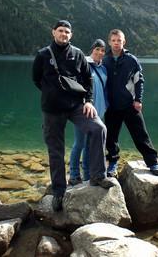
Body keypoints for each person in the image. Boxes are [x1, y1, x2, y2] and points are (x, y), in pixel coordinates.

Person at [32, 20, 114, 212]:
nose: (64, 34)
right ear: (53, 32)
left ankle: (97, 175)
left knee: (98, 128)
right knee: (56, 150)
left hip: (76, 106)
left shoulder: (77, 54)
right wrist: (51, 94)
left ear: (71, 35)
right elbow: (36, 79)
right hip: (52, 109)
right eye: (60, 31)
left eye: (67, 32)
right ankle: (59, 190)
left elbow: (88, 81)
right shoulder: (43, 55)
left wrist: (88, 102)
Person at [103, 29, 158, 177]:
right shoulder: (104, 59)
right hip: (111, 106)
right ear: (110, 42)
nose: (117, 43)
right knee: (111, 137)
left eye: (120, 40)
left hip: (130, 105)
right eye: (114, 40)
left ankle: (153, 162)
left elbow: (139, 81)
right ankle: (113, 163)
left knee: (141, 135)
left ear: (124, 42)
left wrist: (138, 100)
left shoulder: (131, 60)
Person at [68, 39, 108, 185]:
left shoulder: (103, 68)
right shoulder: (83, 63)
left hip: (99, 111)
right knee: (79, 143)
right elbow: (75, 85)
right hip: (83, 110)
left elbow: (104, 88)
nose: (100, 52)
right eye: (97, 49)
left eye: (103, 50)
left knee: (90, 145)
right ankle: (73, 174)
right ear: (92, 49)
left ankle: (86, 175)